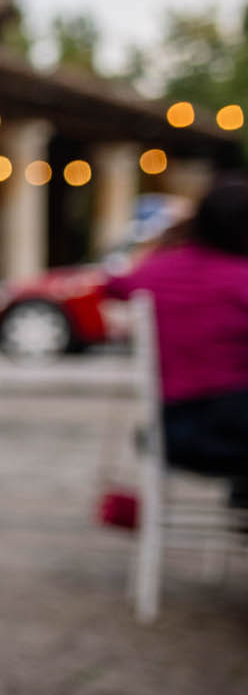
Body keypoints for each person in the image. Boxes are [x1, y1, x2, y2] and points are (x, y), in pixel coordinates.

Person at [105, 179, 248, 505]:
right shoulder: (241, 277)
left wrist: (163, 241)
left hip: (166, 433)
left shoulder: (159, 271)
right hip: (228, 434)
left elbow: (115, 285)